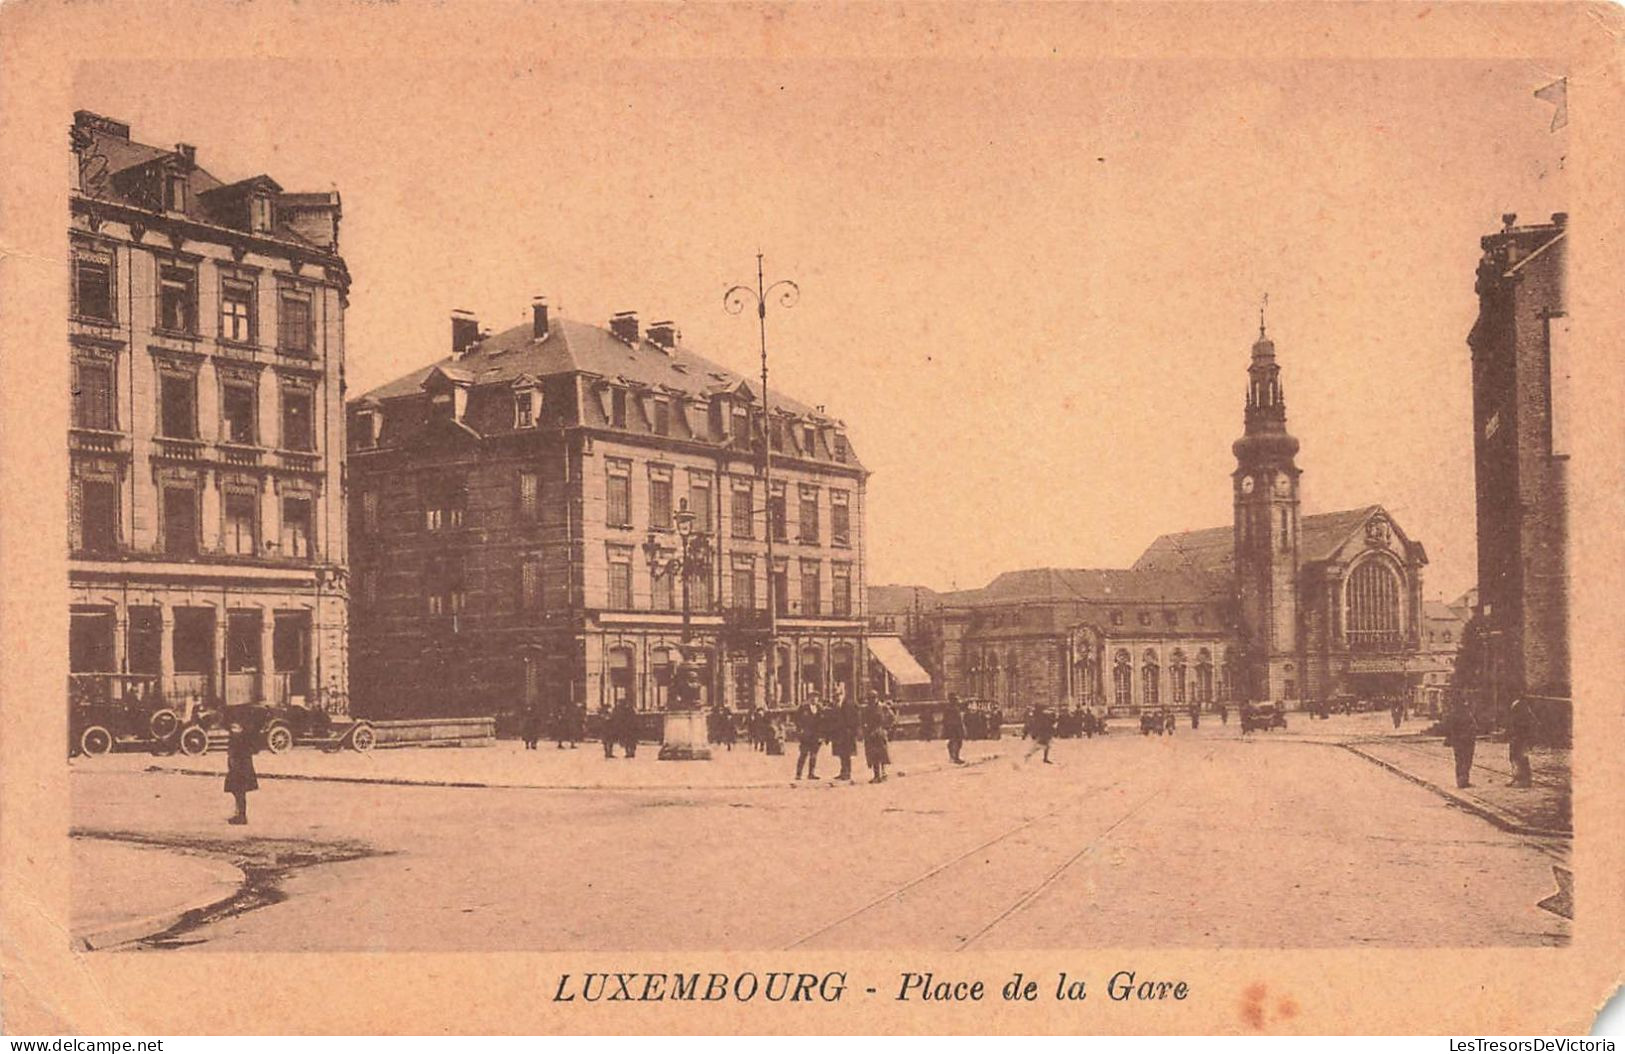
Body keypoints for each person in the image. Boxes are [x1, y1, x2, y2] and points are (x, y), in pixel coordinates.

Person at [225, 714, 258, 825]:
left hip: (239, 770)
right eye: (232, 728)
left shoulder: (240, 739)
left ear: (241, 728)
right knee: (237, 792)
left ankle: (241, 816)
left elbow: (238, 755)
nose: (233, 730)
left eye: (236, 728)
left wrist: (234, 765)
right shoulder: (237, 738)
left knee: (239, 792)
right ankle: (239, 813)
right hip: (238, 769)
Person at [1443, 701, 1478, 789]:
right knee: (1465, 761)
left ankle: (1462, 780)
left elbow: (1449, 728)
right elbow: (1473, 727)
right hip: (1465, 741)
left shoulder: (1453, 715)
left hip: (1460, 741)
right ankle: (1463, 781)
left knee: (1461, 761)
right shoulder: (1466, 716)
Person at [861, 692, 892, 782]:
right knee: (872, 755)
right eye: (870, 699)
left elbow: (892, 717)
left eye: (873, 698)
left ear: (877, 698)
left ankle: (883, 773)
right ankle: (876, 775)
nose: (871, 700)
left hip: (880, 733)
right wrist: (864, 729)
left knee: (882, 754)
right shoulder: (866, 709)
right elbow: (863, 720)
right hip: (870, 734)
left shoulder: (883, 707)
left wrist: (886, 728)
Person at [1506, 696, 1536, 787]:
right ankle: (1515, 776)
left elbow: (1526, 723)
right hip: (1515, 735)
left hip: (1521, 735)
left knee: (1521, 756)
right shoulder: (1515, 703)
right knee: (1513, 756)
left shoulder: (1522, 705)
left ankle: (1525, 780)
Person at [794, 695, 823, 780]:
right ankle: (798, 774)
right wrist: (800, 729)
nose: (814, 699)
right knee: (803, 754)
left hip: (816, 735)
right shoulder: (803, 708)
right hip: (806, 735)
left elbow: (823, 722)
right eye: (812, 698)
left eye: (816, 698)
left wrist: (822, 735)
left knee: (814, 755)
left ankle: (811, 773)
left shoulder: (820, 708)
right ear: (809, 699)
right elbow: (796, 719)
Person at [832, 693, 860, 780]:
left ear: (842, 695)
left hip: (848, 733)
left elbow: (856, 717)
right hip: (838, 733)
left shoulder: (850, 704)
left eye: (839, 695)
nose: (837, 697)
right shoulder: (835, 705)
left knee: (847, 753)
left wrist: (854, 730)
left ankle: (847, 773)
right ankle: (843, 771)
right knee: (841, 753)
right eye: (835, 696)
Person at [943, 693, 967, 764]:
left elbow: (944, 719)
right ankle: (955, 757)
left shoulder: (950, 708)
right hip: (954, 728)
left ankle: (953, 757)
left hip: (952, 727)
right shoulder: (952, 708)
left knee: (953, 742)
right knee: (956, 742)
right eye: (956, 700)